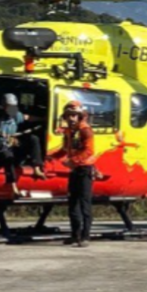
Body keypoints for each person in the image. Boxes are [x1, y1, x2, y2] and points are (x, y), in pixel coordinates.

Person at [53, 100, 96, 247]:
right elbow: (65, 149)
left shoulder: (85, 130)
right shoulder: (70, 132)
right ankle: (75, 235)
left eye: (73, 115)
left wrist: (74, 161)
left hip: (84, 170)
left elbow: (89, 151)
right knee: (73, 204)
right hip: (75, 170)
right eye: (68, 116)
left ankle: (85, 236)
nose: (70, 118)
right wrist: (49, 156)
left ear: (79, 116)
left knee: (85, 204)